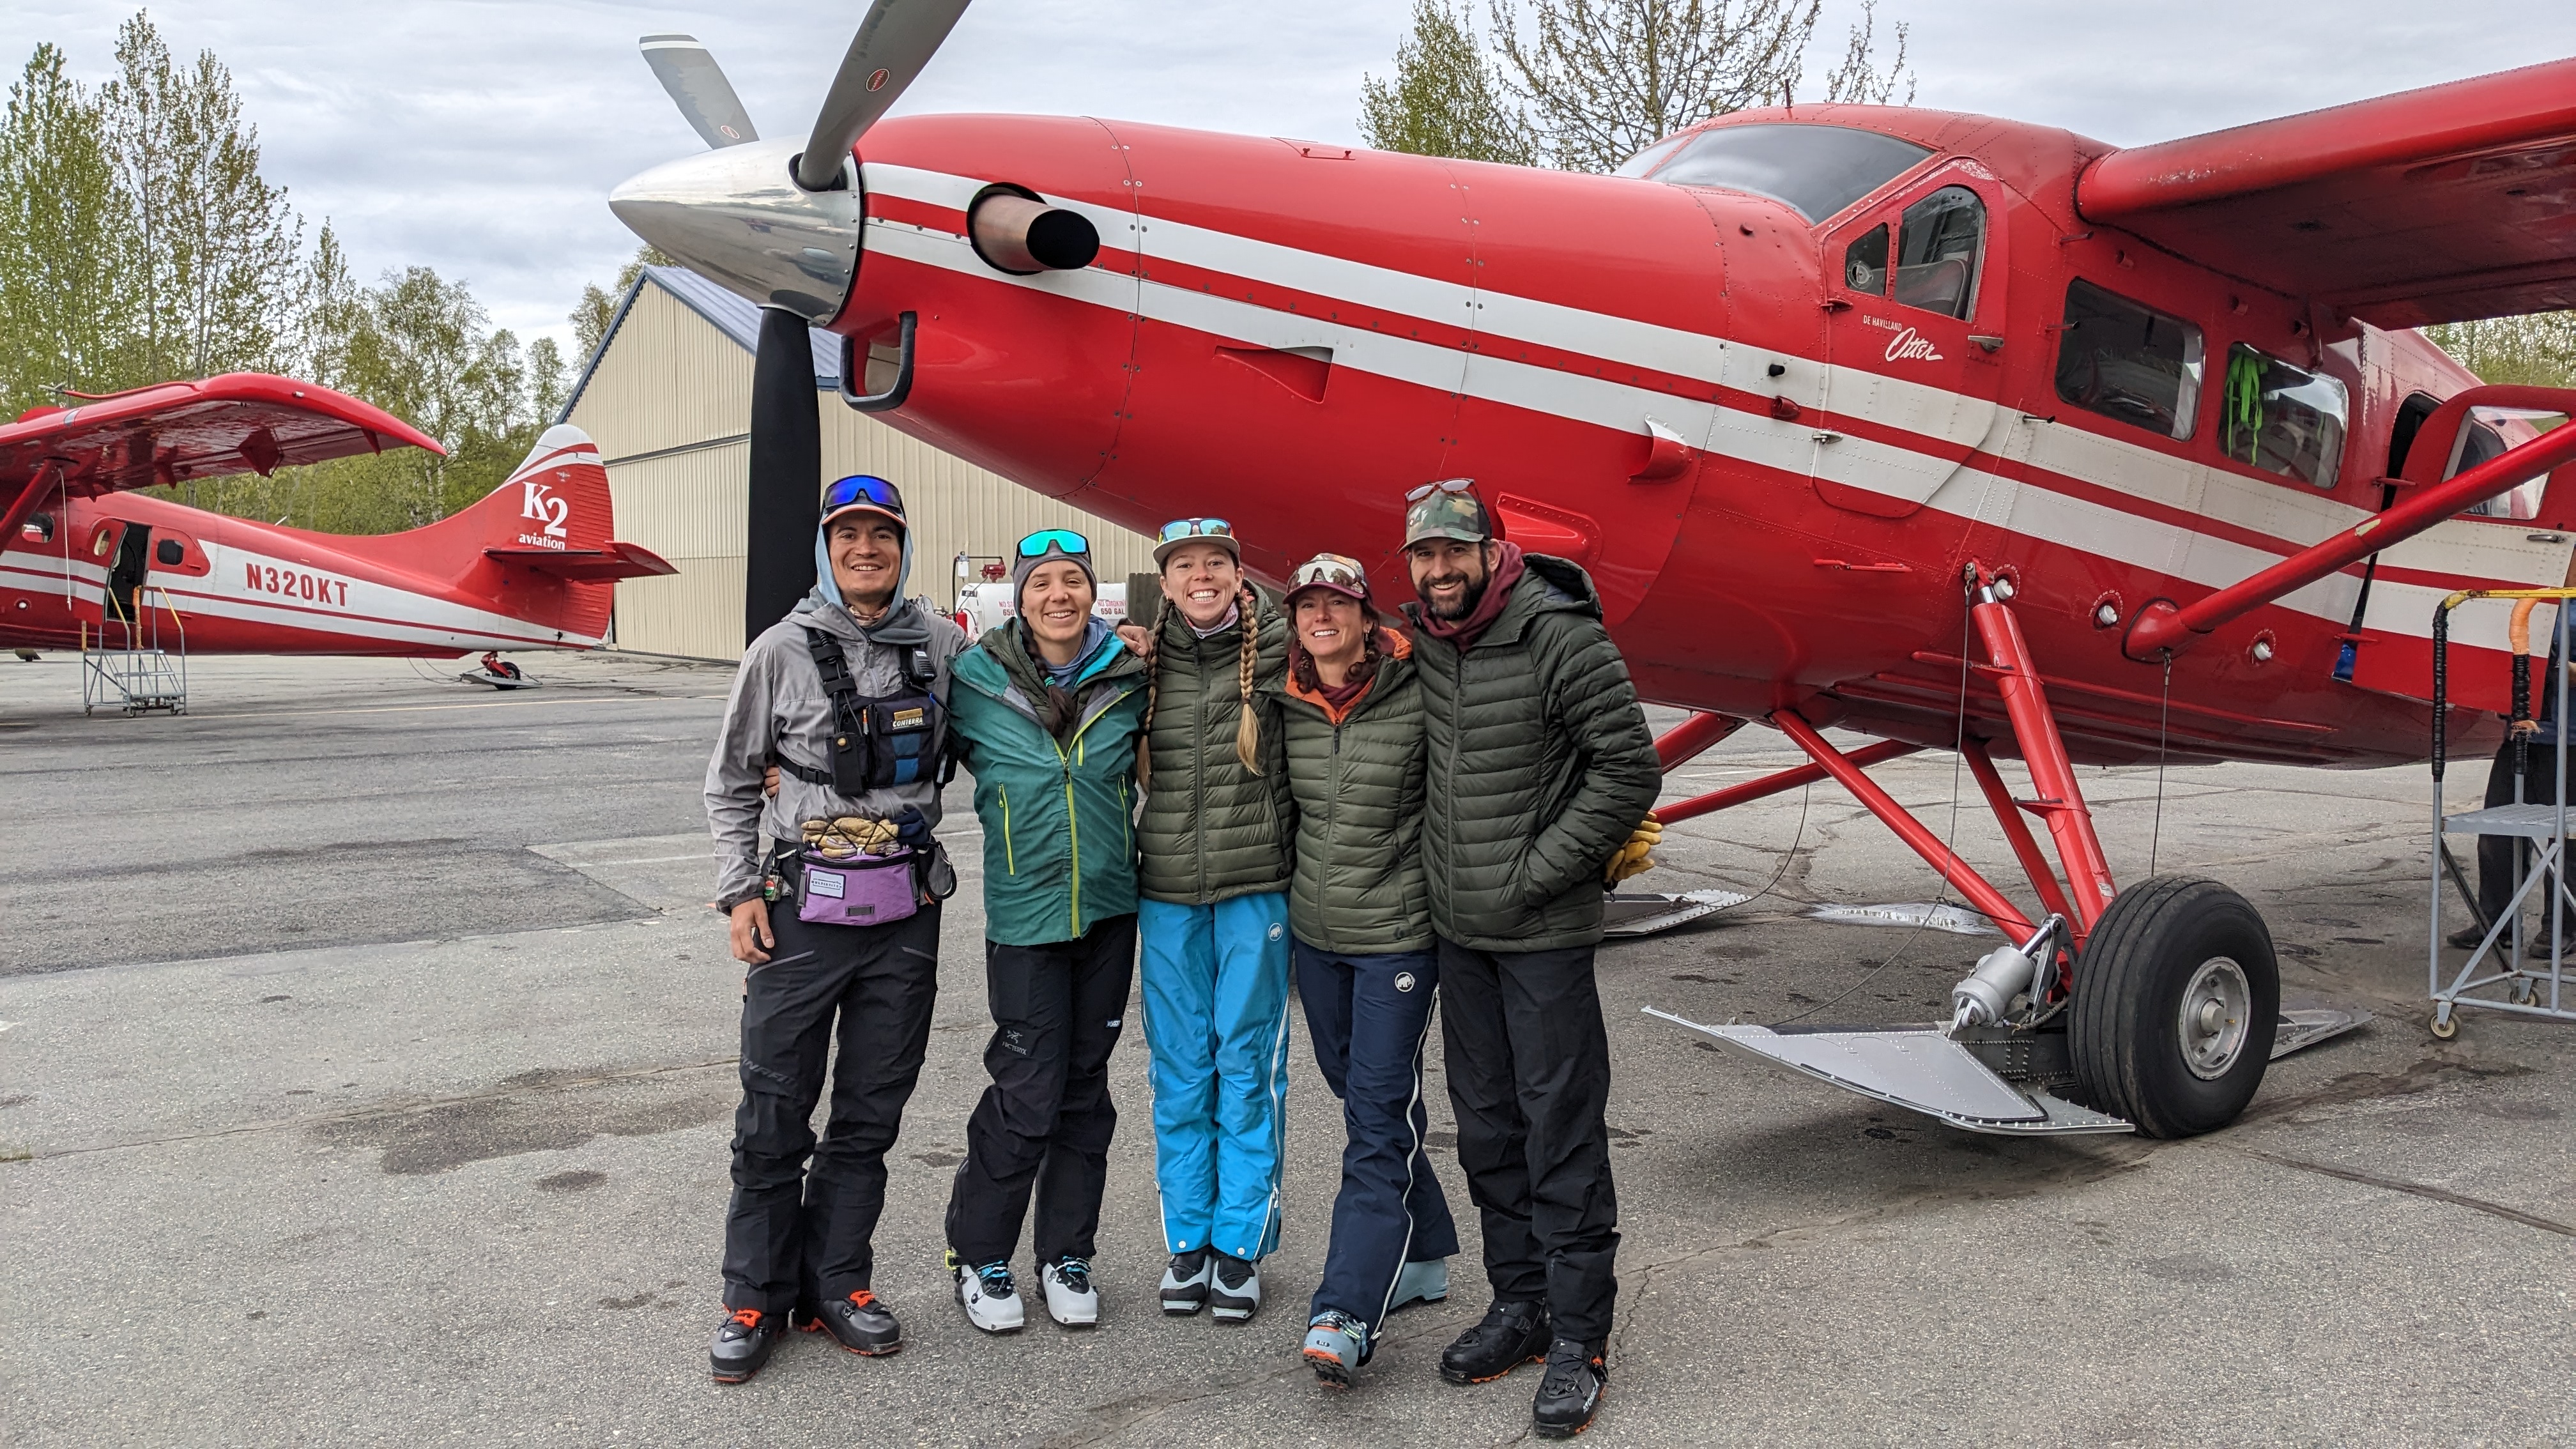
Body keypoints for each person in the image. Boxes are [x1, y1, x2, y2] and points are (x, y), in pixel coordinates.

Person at [1399, 480, 1660, 1441]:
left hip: (1541, 931)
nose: (1437, 572)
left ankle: (1583, 1333)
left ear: (1490, 553)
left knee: (1561, 1126)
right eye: (1422, 558)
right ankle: (1522, 1304)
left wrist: (1538, 871)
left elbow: (1629, 768)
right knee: (1488, 1127)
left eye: (1453, 554)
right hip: (1461, 933)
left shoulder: (1560, 635)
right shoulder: (1425, 639)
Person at [701, 475, 965, 1383]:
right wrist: (741, 893)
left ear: (903, 547)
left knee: (868, 1115)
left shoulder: (944, 647)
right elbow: (734, 779)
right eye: (848, 535)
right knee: (774, 1114)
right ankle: (754, 1294)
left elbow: (1014, 725)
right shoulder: (778, 651)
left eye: (882, 535)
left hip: (905, 920)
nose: (866, 549)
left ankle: (837, 1284)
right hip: (799, 918)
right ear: (825, 547)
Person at [940, 528, 1150, 1334]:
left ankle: (1068, 1253)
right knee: (1028, 1093)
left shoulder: (1131, 675)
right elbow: (910, 756)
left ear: (1090, 592)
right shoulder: (975, 679)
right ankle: (980, 1252)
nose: (1058, 595)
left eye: (1072, 581)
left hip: (1107, 912)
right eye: (1041, 584)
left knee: (1085, 1092)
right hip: (1026, 919)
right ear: (1018, 598)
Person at [1271, 551, 1457, 1386]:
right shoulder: (1285, 699)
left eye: (1337, 604)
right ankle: (1427, 1253)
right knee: (1360, 1092)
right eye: (1309, 604)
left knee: (1377, 1120)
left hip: (1396, 939)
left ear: (1363, 617)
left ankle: (1346, 1310)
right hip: (1317, 937)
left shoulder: (1418, 692)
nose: (1323, 617)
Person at [1123, 517, 1298, 1323]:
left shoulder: (1281, 656)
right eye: (1184, 565)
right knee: (1180, 1070)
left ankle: (1240, 1244)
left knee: (1248, 1066)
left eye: (1216, 563)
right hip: (1165, 893)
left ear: (1238, 572)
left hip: (1253, 886)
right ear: (1166, 580)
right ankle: (1187, 1241)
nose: (1201, 576)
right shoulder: (1140, 663)